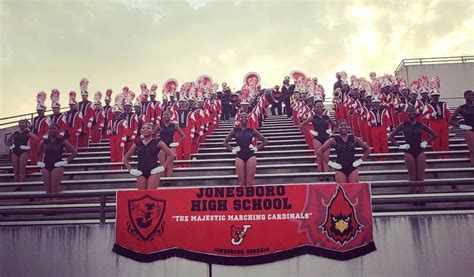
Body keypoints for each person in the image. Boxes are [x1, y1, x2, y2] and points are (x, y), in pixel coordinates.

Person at [389, 105, 437, 194]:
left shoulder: (420, 124)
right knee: (412, 176)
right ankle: (413, 196)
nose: (411, 112)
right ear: (406, 113)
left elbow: (434, 134)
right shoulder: (403, 124)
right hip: (408, 151)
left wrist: (426, 142)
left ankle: (422, 197)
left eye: (413, 111)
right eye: (409, 111)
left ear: (416, 113)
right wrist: (399, 146)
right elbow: (391, 136)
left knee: (421, 176)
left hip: (419, 150)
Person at [123, 123, 175, 190]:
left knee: (150, 194)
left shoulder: (158, 142)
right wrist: (131, 170)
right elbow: (125, 158)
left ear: (153, 131)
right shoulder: (137, 144)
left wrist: (163, 167)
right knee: (142, 195)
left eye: (148, 128)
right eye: (143, 128)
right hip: (141, 172)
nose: (145, 130)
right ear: (141, 131)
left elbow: (172, 155)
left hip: (154, 171)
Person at [223, 112, 268, 186]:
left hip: (250, 155)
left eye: (246, 117)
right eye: (242, 117)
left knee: (249, 183)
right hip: (240, 155)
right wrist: (232, 149)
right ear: (239, 119)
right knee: (242, 183)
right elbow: (224, 142)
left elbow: (265, 141)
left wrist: (256, 148)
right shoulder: (235, 130)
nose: (244, 118)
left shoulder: (252, 130)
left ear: (248, 119)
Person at [299, 102, 336, 181]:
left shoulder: (327, 117)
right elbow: (301, 125)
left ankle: (326, 174)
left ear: (323, 108)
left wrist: (332, 132)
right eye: (317, 107)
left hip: (326, 138)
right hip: (317, 138)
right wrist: (310, 131)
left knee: (326, 157)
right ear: (314, 108)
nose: (319, 108)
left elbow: (336, 126)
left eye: (320, 106)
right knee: (319, 157)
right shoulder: (313, 117)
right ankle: (320, 175)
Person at [36, 123, 77, 193]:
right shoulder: (44, 141)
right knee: (48, 191)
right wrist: (39, 162)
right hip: (46, 166)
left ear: (58, 130)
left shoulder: (62, 141)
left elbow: (75, 153)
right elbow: (37, 153)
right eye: (50, 128)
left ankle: (55, 202)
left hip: (57, 166)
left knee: (54, 190)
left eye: (53, 128)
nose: (51, 130)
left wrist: (65, 162)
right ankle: (49, 202)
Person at [156, 110, 184, 177]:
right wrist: (156, 143)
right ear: (162, 116)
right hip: (162, 147)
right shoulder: (159, 126)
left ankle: (168, 180)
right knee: (162, 164)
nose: (166, 116)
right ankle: (162, 180)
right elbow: (152, 134)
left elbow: (182, 135)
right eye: (164, 114)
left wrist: (177, 143)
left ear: (170, 116)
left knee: (170, 164)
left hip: (171, 146)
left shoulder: (174, 125)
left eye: (167, 114)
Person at [450, 90, 474, 166]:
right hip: (468, 129)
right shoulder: (461, 108)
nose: (471, 96)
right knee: (472, 150)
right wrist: (461, 126)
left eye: (472, 95)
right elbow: (451, 120)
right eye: (469, 95)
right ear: (465, 97)